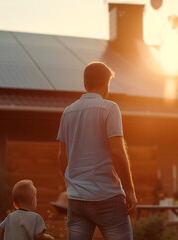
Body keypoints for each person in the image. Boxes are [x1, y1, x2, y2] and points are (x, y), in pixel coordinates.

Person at [57, 61, 137, 240]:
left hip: (77, 199)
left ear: (85, 83)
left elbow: (62, 155)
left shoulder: (67, 112)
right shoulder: (110, 108)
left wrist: (73, 185)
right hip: (107, 196)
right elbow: (117, 152)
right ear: (106, 83)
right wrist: (130, 191)